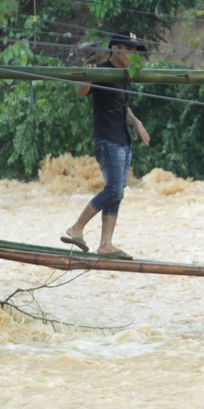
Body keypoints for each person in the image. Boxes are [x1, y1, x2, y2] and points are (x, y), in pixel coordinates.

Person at [61, 31, 150, 259]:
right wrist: (88, 75)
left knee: (117, 194)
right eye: (129, 50)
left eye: (135, 51)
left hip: (122, 139)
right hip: (107, 140)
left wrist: (137, 122)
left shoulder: (124, 75)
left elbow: (123, 107)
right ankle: (76, 228)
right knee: (113, 190)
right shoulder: (101, 70)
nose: (133, 54)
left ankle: (106, 244)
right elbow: (81, 92)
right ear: (115, 48)